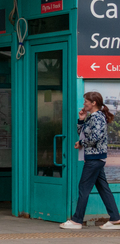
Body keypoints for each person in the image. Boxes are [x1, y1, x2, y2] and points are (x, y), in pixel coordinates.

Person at [60, 91, 120, 230]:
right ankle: (116, 219)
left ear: (93, 103)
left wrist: (82, 143)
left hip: (95, 158)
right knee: (103, 189)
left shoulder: (97, 117)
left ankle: (77, 221)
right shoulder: (92, 117)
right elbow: (83, 133)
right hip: (95, 158)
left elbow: (96, 137)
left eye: (86, 101)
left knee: (84, 188)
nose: (84, 103)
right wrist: (81, 119)